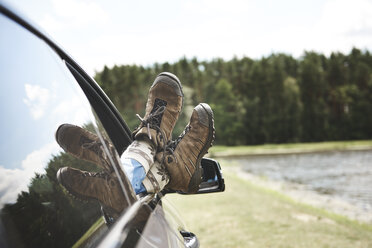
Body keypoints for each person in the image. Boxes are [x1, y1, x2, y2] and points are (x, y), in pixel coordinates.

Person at [55, 72, 215, 217]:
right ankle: (152, 146)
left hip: (122, 213)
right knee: (124, 184)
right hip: (131, 217)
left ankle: (122, 170)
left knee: (121, 185)